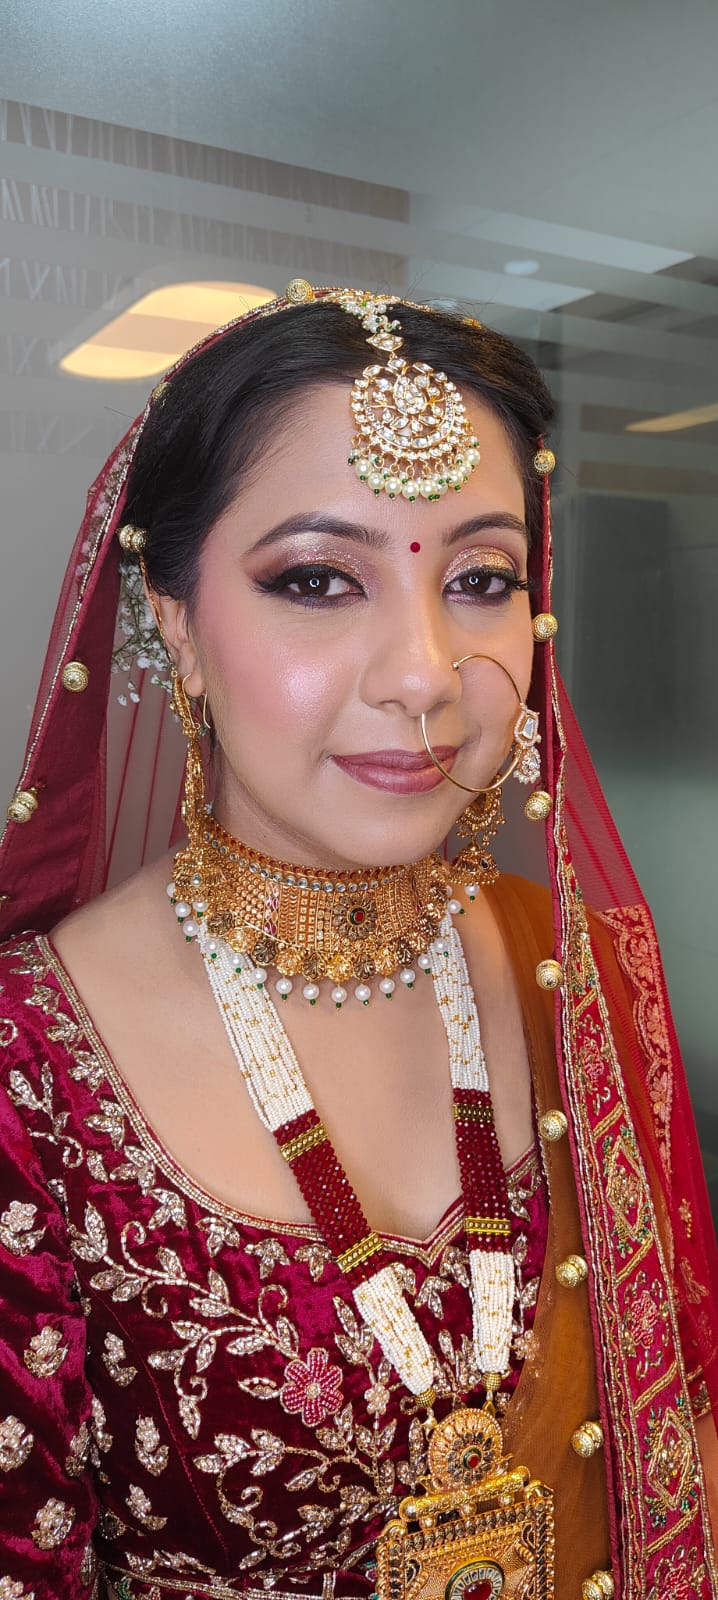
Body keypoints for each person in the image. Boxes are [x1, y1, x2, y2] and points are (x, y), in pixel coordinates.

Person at [0, 281, 715, 1600]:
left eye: (480, 581)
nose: (426, 671)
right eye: (318, 580)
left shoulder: (581, 971)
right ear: (176, 624)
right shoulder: (24, 1071)